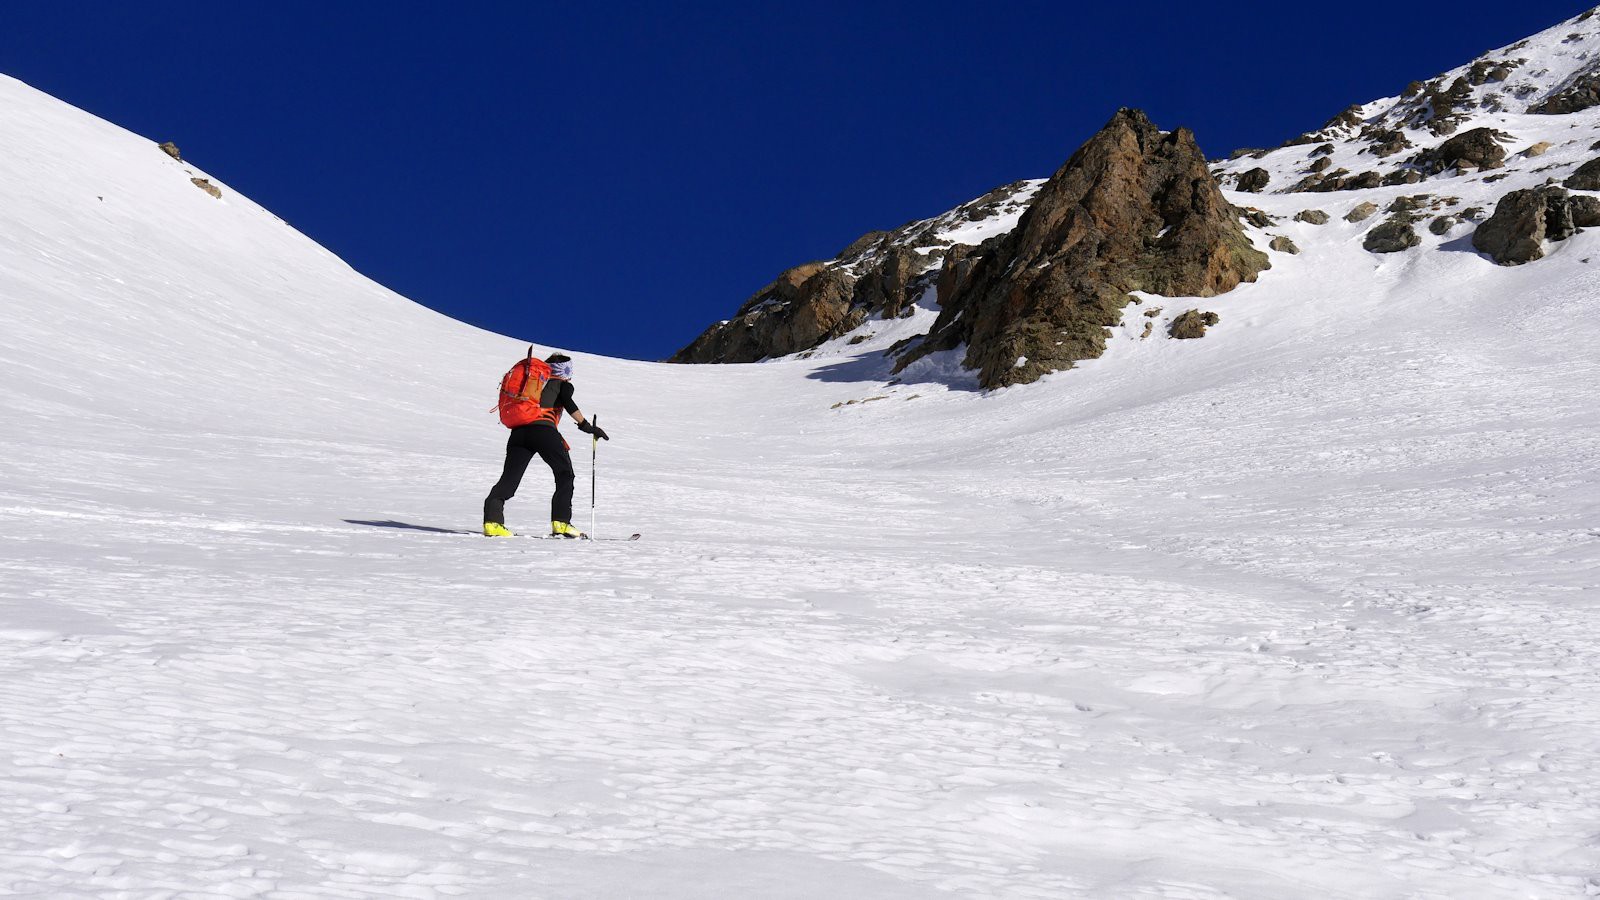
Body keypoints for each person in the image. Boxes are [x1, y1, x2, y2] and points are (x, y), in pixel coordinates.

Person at [483, 353, 609, 538]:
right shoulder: (562, 384)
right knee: (564, 474)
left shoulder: (533, 384)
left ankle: (492, 522)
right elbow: (568, 403)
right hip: (543, 432)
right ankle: (561, 523)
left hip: (519, 433)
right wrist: (587, 427)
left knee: (509, 479)